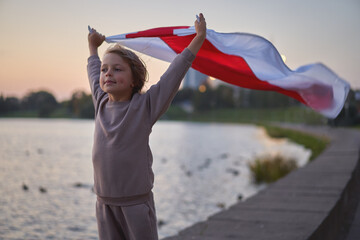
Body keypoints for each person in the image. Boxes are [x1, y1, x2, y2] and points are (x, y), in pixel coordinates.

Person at [87, 13, 207, 240]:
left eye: (117, 69)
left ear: (134, 80)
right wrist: (93, 48)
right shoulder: (101, 102)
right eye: (105, 70)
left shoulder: (145, 106)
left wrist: (198, 38)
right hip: (104, 204)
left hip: (135, 205)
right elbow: (93, 72)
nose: (108, 73)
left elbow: (173, 74)